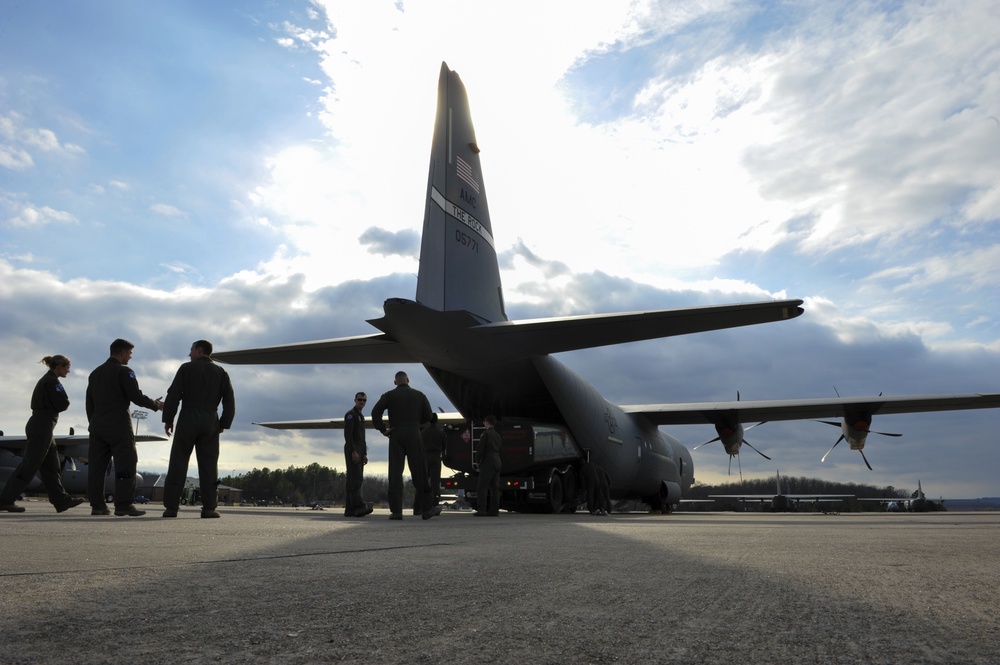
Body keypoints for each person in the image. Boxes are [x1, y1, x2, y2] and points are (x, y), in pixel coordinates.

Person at [86, 338, 162, 517]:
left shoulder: (95, 373)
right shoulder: (124, 371)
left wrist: (94, 423)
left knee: (96, 469)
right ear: (121, 353)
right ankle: (123, 505)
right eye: (129, 353)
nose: (130, 357)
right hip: (119, 426)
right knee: (126, 466)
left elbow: (89, 403)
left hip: (97, 426)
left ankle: (97, 506)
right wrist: (155, 405)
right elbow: (135, 396)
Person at [0, 355, 86, 513]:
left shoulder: (47, 380)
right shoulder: (52, 382)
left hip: (44, 425)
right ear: (59, 366)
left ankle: (61, 501)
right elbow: (63, 403)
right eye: (67, 367)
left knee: (51, 467)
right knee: (30, 464)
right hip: (42, 425)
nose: (69, 370)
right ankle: (5, 500)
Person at [160, 340, 236, 519]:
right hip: (210, 419)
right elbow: (229, 401)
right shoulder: (221, 372)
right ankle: (209, 507)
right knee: (209, 466)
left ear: (200, 351)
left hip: (188, 417)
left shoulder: (186, 369)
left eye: (191, 350)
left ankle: (171, 508)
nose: (189, 354)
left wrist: (169, 419)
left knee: (178, 463)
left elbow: (174, 395)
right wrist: (223, 423)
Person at [370, 371, 440, 520]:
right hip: (414, 433)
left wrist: (382, 429)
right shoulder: (419, 395)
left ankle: (396, 511)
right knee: (420, 471)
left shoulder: (389, 395)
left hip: (395, 433)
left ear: (395, 382)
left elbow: (375, 411)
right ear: (408, 380)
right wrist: (416, 423)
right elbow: (428, 415)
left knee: (395, 473)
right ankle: (427, 508)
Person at [343, 391, 372, 517]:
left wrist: (364, 453)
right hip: (352, 448)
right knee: (356, 478)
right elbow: (348, 435)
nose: (362, 402)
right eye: (360, 399)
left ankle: (349, 508)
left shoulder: (361, 416)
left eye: (364, 400)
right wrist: (353, 451)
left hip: (360, 449)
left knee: (353, 479)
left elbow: (362, 437)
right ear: (355, 400)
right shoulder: (351, 415)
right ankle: (359, 506)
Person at [473, 415, 502, 517]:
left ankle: (482, 509)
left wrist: (477, 460)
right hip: (497, 460)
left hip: (488, 461)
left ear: (487, 422)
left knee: (482, 486)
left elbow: (481, 448)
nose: (484, 424)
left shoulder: (485, 434)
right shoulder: (497, 435)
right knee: (495, 487)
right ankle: (494, 510)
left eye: (484, 422)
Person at [421, 413, 446, 508]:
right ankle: (435, 503)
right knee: (435, 482)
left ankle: (421, 504)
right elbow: (444, 446)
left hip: (425, 457)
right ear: (437, 420)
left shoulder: (423, 433)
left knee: (423, 481)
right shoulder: (441, 433)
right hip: (436, 457)